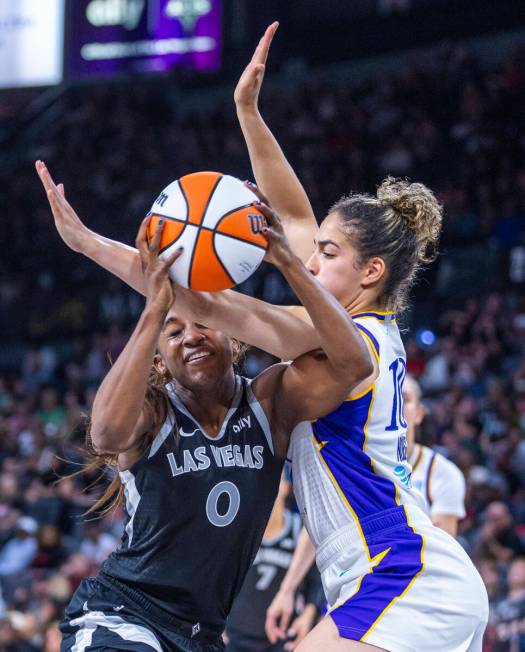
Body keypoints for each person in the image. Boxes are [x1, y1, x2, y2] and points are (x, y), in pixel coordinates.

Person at [36, 23, 489, 651]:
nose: (310, 260)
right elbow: (297, 219)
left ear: (371, 273)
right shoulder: (343, 323)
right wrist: (248, 112)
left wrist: (92, 246)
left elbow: (206, 301)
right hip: (383, 573)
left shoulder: (342, 336)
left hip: (399, 567)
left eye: (327, 254)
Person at [56, 206, 373, 650]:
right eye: (172, 332)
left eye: (203, 321)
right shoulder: (154, 410)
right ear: (159, 354)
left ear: (236, 336)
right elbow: (105, 436)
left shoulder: (269, 401)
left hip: (201, 635)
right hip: (125, 614)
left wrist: (287, 262)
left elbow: (354, 363)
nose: (189, 336)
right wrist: (154, 310)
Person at [225, 471, 323, 652]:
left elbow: (318, 581)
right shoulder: (237, 531)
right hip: (235, 638)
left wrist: (309, 613)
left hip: (282, 639)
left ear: (286, 486)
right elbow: (218, 578)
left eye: (273, 480)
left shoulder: (301, 532)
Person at [403, 374, 466, 536]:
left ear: (419, 413)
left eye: (405, 399)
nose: (396, 405)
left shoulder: (444, 473)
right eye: (390, 397)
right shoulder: (358, 460)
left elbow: (439, 550)